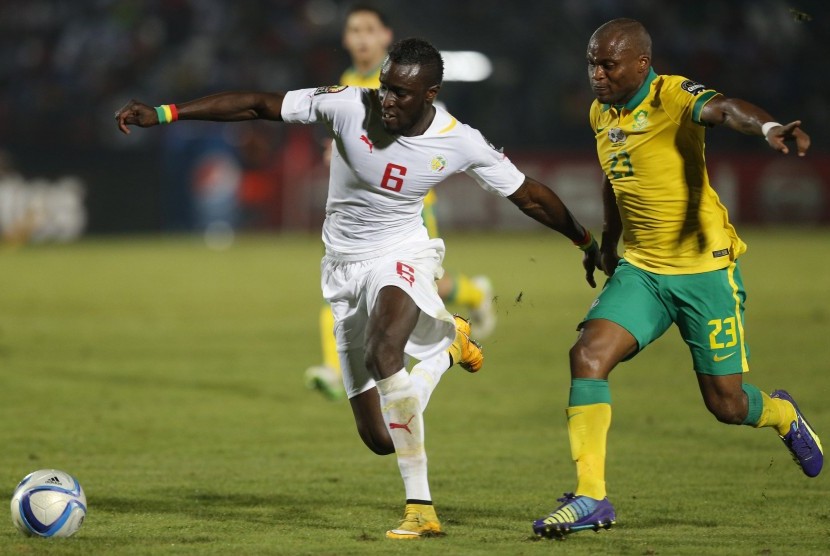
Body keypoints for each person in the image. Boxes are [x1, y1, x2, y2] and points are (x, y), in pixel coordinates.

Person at [116, 38, 599, 540]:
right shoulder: (348, 103)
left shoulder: (460, 141)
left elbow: (530, 196)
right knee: (381, 438)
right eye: (385, 87)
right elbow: (260, 104)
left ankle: (421, 509)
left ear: (430, 94)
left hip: (403, 255)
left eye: (400, 94)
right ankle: (448, 346)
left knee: (384, 349)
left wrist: (584, 239)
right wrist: (166, 112)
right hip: (342, 270)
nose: (386, 100)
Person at [532, 18, 823, 539]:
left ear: (641, 64)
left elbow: (726, 109)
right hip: (642, 270)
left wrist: (768, 128)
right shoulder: (603, 111)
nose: (596, 74)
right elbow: (615, 174)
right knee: (587, 357)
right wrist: (608, 241)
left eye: (607, 64)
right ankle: (592, 497)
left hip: (703, 271)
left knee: (727, 404)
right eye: (591, 63)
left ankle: (782, 415)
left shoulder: (672, 96)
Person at [306, 5, 498, 402]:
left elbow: (433, 129)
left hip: (410, 207)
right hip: (366, 211)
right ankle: (336, 367)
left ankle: (470, 303)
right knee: (368, 288)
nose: (360, 38)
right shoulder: (346, 82)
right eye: (353, 30)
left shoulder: (403, 79)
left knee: (418, 289)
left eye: (368, 30)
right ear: (345, 39)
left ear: (384, 37)